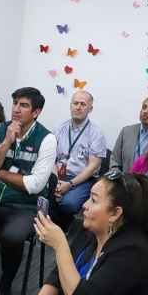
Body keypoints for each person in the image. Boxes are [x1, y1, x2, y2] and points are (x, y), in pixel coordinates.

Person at [0, 86, 56, 295]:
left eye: (24, 105)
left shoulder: (47, 138)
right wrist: (6, 142)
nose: (17, 109)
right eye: (15, 104)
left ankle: (5, 285)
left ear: (36, 112)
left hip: (24, 205)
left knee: (12, 236)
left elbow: (35, 184)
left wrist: (0, 173)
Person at [51, 90, 108, 222]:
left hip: (82, 180)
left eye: (83, 104)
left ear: (90, 109)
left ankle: (64, 231)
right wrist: (56, 180)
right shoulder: (59, 128)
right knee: (40, 196)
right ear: (70, 105)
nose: (78, 107)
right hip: (57, 175)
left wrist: (70, 184)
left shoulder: (96, 133)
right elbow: (51, 158)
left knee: (68, 204)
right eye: (75, 103)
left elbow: (93, 167)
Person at [110, 95, 148, 172]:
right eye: (144, 107)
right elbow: (114, 160)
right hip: (123, 178)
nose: (145, 111)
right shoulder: (126, 131)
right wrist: (117, 176)